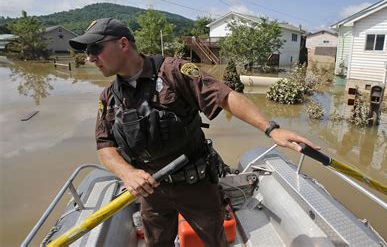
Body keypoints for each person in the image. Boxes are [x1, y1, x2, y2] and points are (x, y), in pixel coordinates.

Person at [69, 18, 319, 247]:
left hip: (196, 186)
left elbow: (225, 96)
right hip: (151, 192)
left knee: (215, 241)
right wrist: (128, 173)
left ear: (123, 44)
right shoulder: (110, 98)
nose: (90, 58)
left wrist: (271, 129)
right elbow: (105, 146)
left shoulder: (174, 71)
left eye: (95, 49)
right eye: (87, 52)